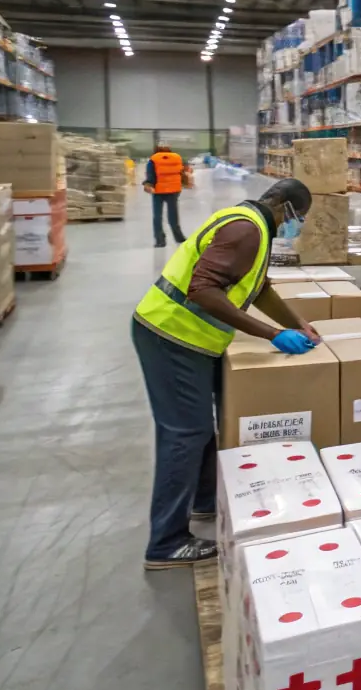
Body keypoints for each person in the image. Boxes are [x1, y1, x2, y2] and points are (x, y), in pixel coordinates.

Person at [131, 178, 322, 569]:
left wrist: (298, 324)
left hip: (193, 341)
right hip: (170, 334)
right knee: (184, 433)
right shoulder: (246, 230)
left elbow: (260, 289)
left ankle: (204, 501)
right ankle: (165, 543)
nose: (296, 226)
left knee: (201, 428)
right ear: (283, 206)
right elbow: (202, 290)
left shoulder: (255, 227)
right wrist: (272, 334)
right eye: (298, 218)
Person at [144, 142, 190, 248]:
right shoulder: (177, 158)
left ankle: (160, 241)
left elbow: (150, 175)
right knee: (173, 215)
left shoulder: (154, 159)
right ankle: (179, 237)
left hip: (158, 191)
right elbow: (182, 172)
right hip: (174, 190)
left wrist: (148, 184)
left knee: (157, 216)